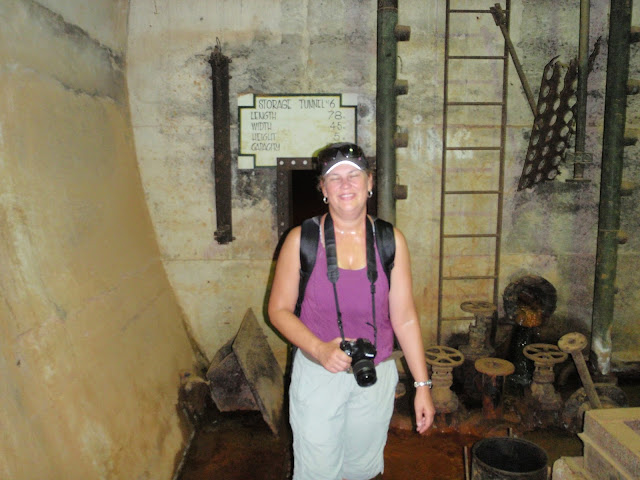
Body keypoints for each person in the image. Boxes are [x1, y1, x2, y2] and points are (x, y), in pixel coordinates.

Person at [268, 142, 435, 480]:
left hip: (375, 373)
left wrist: (422, 385)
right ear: (323, 188)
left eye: (354, 175)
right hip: (318, 374)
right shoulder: (301, 240)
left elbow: (404, 317)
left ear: (370, 182)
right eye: (334, 177)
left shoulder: (390, 240)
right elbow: (278, 310)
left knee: (361, 469)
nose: (345, 184)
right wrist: (319, 348)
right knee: (317, 471)